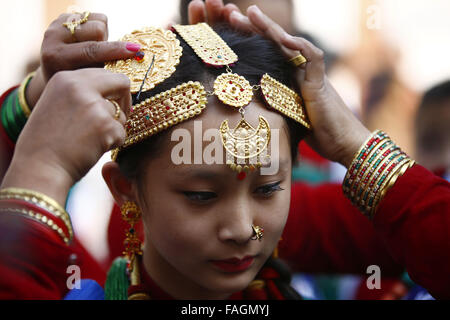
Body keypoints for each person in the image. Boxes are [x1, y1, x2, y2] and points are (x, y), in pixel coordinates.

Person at [0, 2, 449, 300]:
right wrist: (37, 135)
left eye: (269, 187)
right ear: (125, 190)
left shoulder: (295, 225)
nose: (242, 229)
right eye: (201, 195)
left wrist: (355, 145)